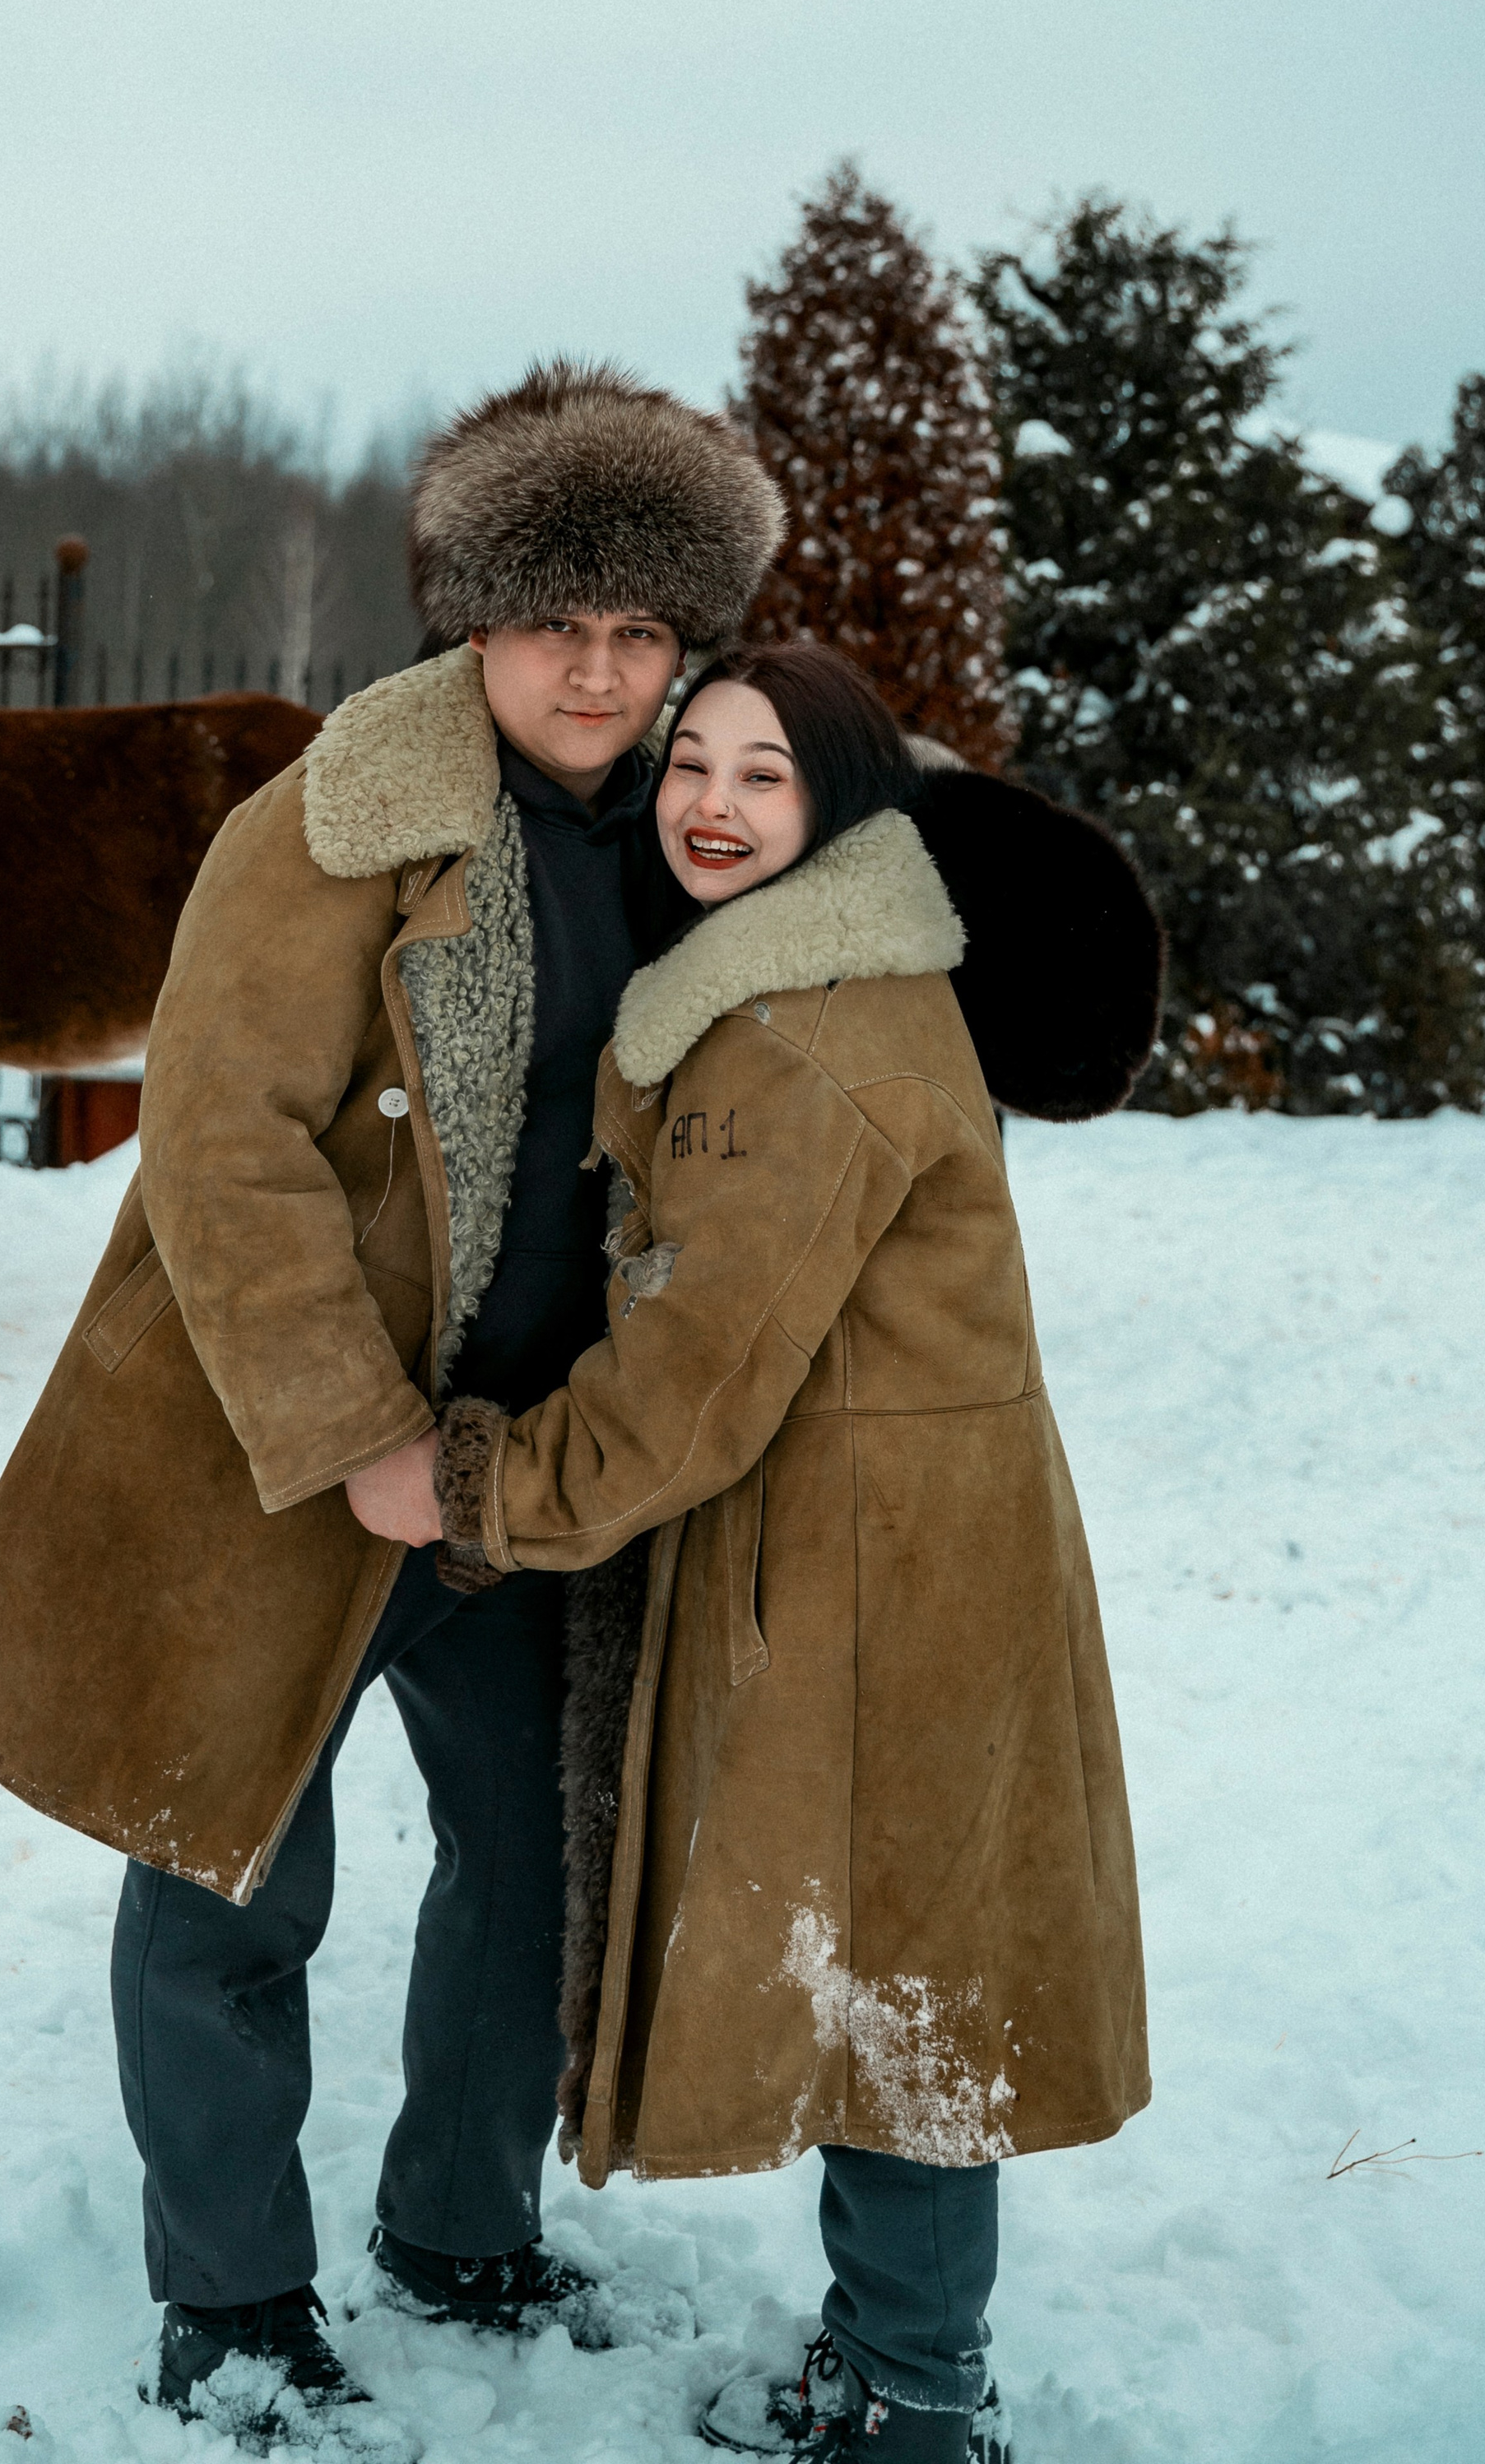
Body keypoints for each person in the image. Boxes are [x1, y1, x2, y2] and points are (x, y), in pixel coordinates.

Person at [0, 360, 787, 2449]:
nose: (595, 671)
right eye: (553, 622)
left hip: (535, 1461)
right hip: (295, 1452)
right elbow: (217, 1144)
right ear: (473, 617)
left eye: (638, 627)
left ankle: (459, 2228)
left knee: (530, 1857)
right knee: (230, 1873)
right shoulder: (330, 820)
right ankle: (228, 2312)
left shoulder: (693, 838)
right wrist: (354, 1433)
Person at [357, 643, 1151, 2463]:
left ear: (843, 804)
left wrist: (471, 1486)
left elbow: (690, 1387)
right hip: (891, 1536)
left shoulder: (805, 1034)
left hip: (883, 1568)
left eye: (765, 773)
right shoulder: (809, 976)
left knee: (903, 1959)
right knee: (901, 1942)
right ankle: (904, 2363)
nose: (711, 802)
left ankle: (913, 2399)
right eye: (692, 761)